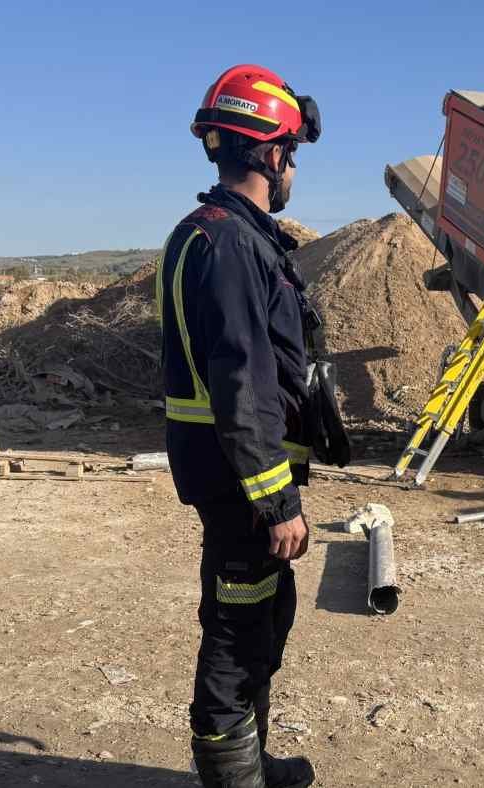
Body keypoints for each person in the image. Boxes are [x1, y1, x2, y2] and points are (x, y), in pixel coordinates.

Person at [159, 64, 322, 788]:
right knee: (234, 633)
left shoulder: (226, 236)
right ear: (272, 153)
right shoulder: (228, 243)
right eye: (291, 152)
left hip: (237, 476)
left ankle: (252, 761)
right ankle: (232, 777)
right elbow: (241, 378)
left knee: (261, 618)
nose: (292, 169)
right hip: (241, 484)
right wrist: (275, 499)